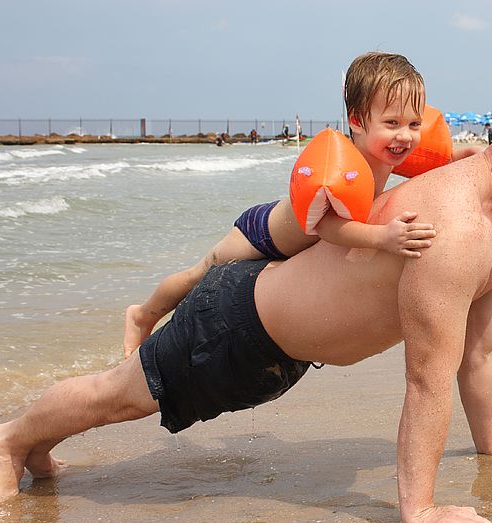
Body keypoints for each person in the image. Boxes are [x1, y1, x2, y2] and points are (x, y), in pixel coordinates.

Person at [0, 75, 492, 523]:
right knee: (118, 396)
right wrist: (418, 510)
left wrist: (491, 444)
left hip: (284, 352)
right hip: (240, 323)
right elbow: (427, 376)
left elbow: (482, 349)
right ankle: (8, 442)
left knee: (122, 399)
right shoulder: (456, 230)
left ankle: (38, 448)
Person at [122, 52, 447, 358]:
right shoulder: (346, 162)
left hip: (287, 242)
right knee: (199, 276)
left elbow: (427, 160)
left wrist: (461, 156)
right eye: (392, 123)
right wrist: (384, 237)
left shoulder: (387, 151)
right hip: (260, 233)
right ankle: (141, 315)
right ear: (357, 121)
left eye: (414, 124)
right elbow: (327, 226)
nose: (405, 136)